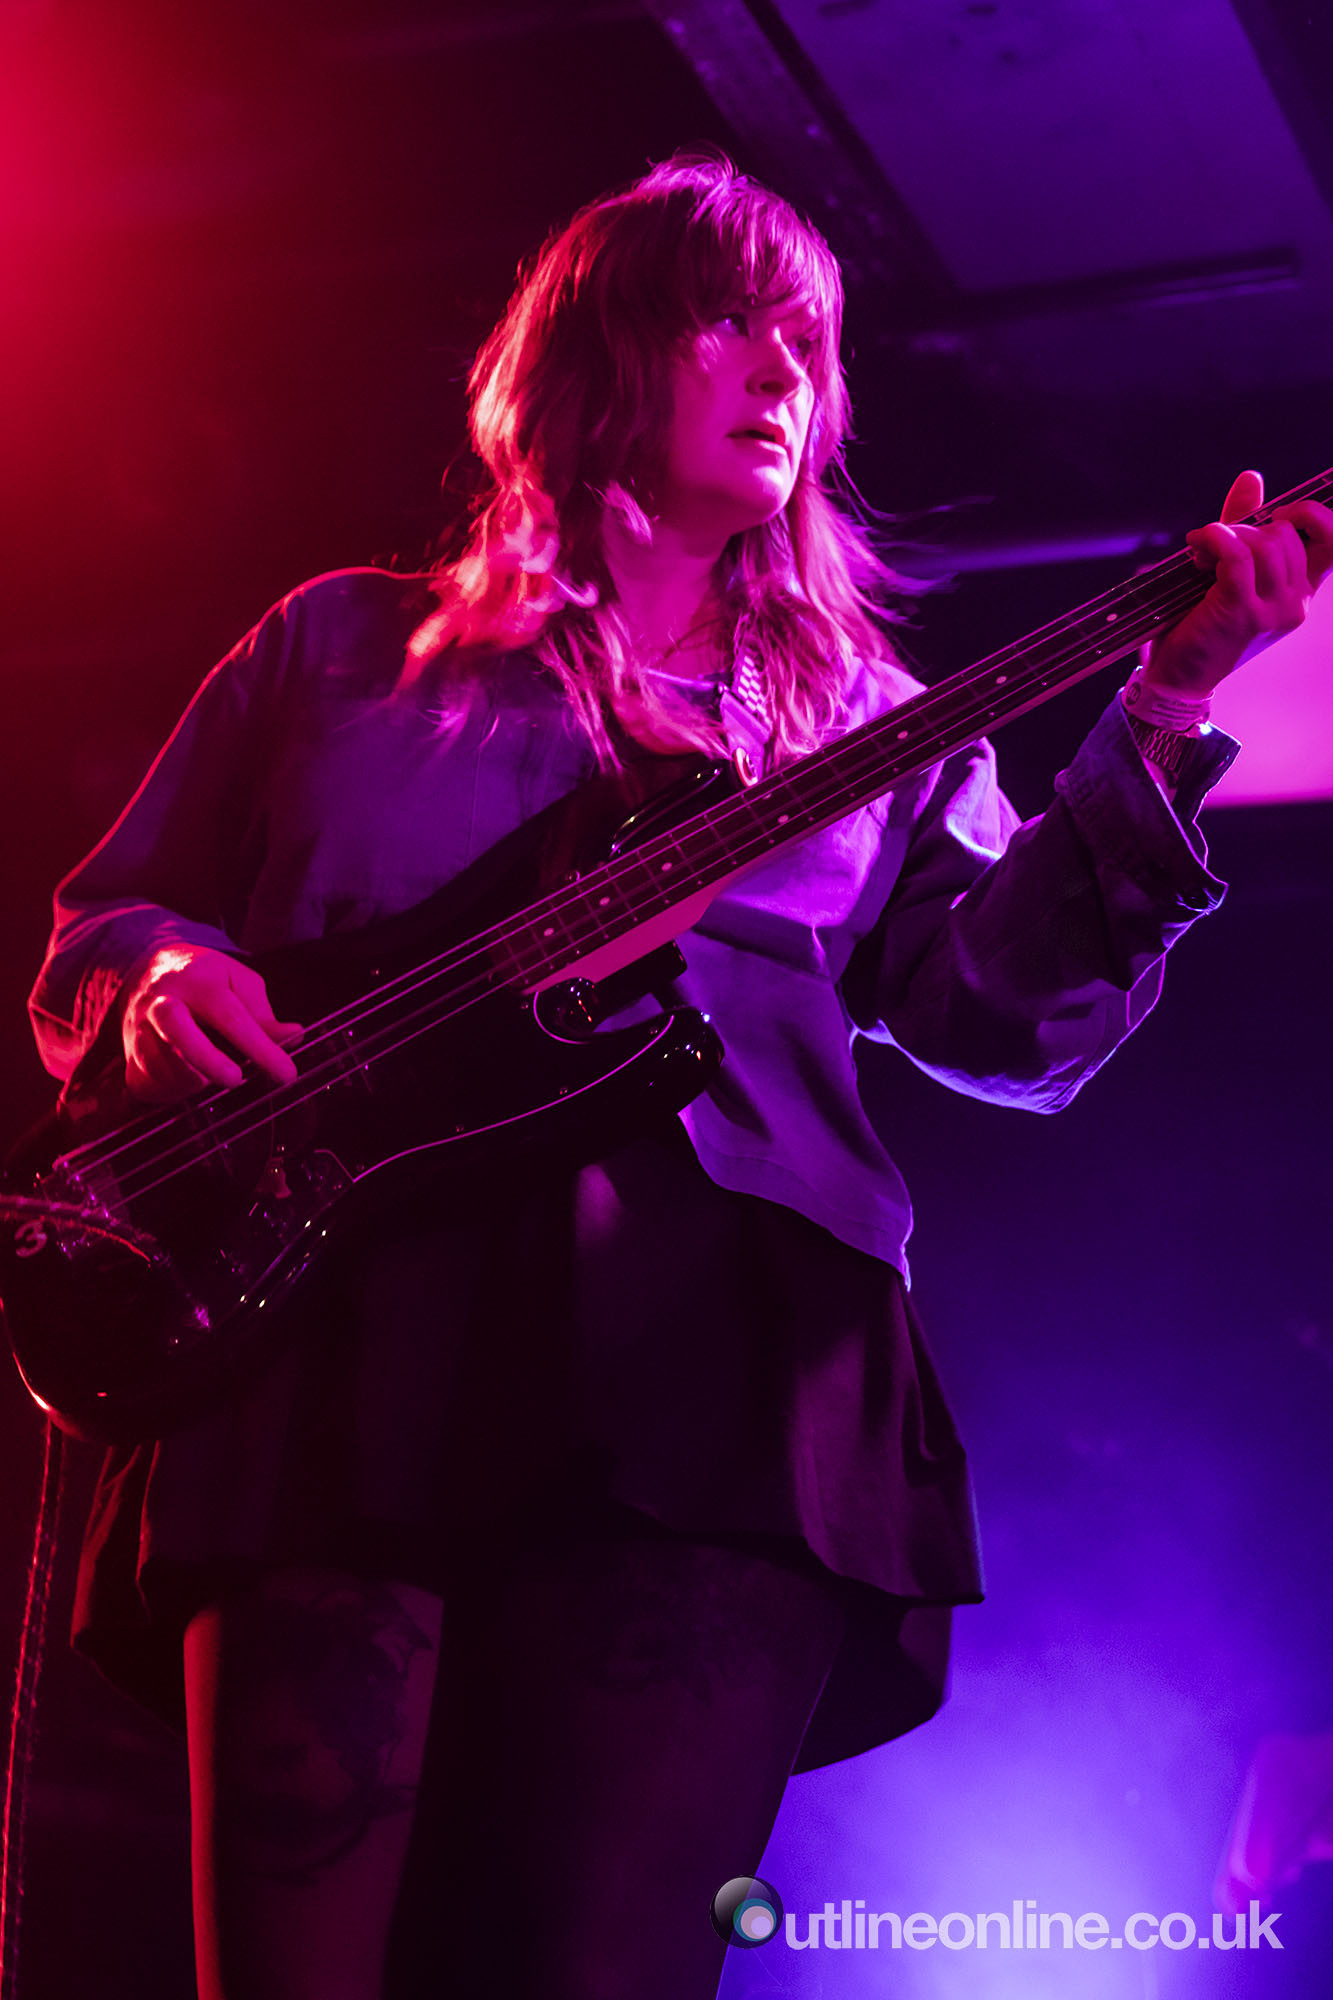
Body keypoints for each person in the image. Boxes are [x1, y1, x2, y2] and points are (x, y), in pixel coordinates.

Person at [25, 156, 1333, 2000]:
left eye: (809, 341)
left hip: (723, 1347)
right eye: (732, 320)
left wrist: (1169, 704)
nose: (784, 366)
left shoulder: (868, 723)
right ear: (593, 352)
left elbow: (1000, 1023)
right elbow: (108, 920)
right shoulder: (337, 648)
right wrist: (160, 979)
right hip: (336, 1311)